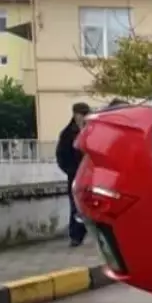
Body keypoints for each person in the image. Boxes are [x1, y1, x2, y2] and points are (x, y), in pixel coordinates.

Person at [55, 102, 91, 247]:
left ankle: (90, 233)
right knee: (76, 206)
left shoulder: (91, 130)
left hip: (90, 175)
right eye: (83, 114)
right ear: (76, 115)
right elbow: (61, 156)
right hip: (76, 175)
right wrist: (71, 170)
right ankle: (76, 236)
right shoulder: (67, 134)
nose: (85, 117)